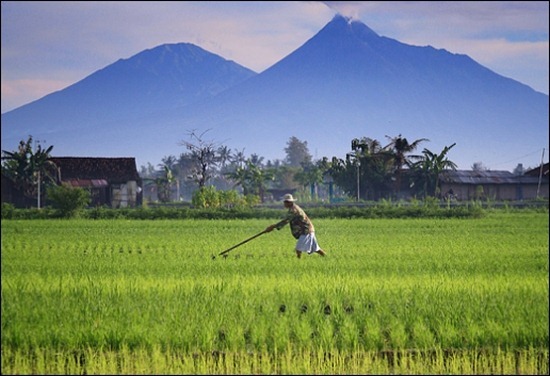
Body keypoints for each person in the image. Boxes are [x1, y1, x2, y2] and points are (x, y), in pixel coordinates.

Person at [265, 193, 327, 258]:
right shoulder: (292, 208)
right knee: (316, 249)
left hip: (305, 230)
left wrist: (273, 226)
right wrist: (273, 227)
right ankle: (325, 257)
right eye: (285, 202)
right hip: (308, 229)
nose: (285, 204)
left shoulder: (294, 210)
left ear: (290, 202)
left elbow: (286, 220)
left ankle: (298, 261)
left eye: (286, 202)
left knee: (298, 248)